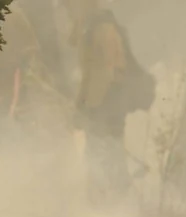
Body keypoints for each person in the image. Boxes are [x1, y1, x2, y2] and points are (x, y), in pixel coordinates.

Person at [64, 0, 149, 202]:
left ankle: (114, 202)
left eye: (70, 5)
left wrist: (90, 109)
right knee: (97, 152)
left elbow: (108, 72)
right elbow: (88, 74)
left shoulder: (103, 29)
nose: (67, 10)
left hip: (108, 102)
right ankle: (101, 201)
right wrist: (80, 107)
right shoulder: (88, 29)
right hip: (99, 103)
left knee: (105, 153)